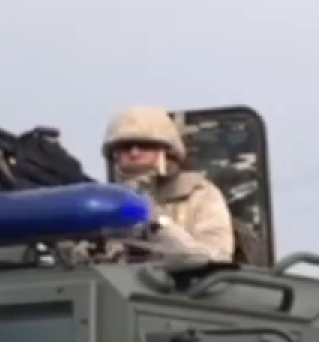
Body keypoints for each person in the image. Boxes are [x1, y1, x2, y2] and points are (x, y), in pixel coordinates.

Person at [95, 106, 237, 263]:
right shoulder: (105, 204)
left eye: (145, 145)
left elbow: (217, 258)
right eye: (125, 147)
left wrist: (158, 224)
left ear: (167, 151)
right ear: (115, 155)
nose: (134, 153)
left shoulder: (200, 195)